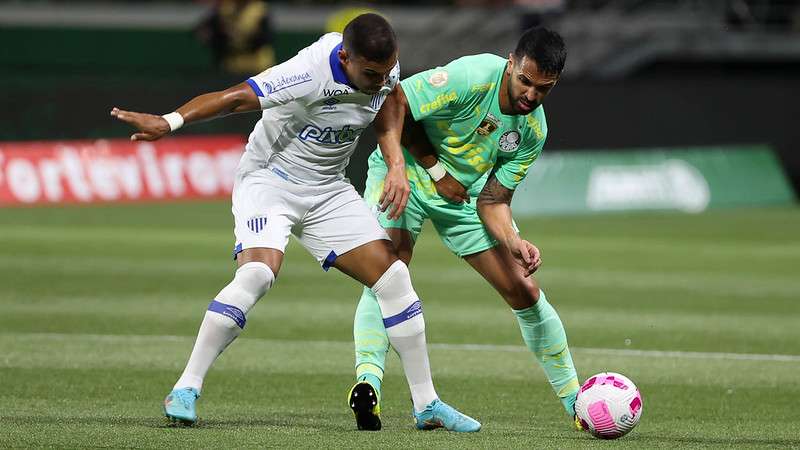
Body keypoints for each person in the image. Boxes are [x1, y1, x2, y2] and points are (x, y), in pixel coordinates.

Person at [111, 13, 479, 432]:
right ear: (345, 56)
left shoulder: (385, 69)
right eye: (371, 74)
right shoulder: (309, 71)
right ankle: (186, 388)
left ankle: (426, 403)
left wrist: (397, 162)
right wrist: (169, 122)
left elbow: (393, 101)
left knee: (394, 278)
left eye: (385, 72)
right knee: (257, 276)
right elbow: (235, 98)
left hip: (328, 189)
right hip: (271, 179)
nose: (380, 80)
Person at [348, 27, 582, 431]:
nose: (530, 95)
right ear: (511, 63)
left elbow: (493, 201)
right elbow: (394, 101)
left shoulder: (533, 131)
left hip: (462, 196)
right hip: (403, 175)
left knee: (523, 290)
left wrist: (513, 240)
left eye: (542, 89)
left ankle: (579, 404)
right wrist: (426, 170)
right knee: (389, 270)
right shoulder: (473, 76)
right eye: (525, 81)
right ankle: (368, 384)